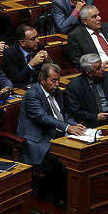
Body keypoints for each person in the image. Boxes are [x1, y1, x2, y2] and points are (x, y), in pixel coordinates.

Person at [17, 63, 86, 204]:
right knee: (62, 158)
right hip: (38, 139)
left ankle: (75, 196)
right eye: (53, 80)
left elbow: (63, 114)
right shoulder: (32, 95)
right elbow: (43, 118)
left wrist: (74, 125)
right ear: (43, 80)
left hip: (55, 134)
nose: (57, 84)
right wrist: (67, 127)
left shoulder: (57, 91)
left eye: (58, 80)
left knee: (81, 152)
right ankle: (59, 199)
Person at [66, 54, 108, 129]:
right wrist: (95, 117)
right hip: (92, 124)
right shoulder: (74, 86)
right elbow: (76, 111)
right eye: (98, 68)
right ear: (89, 73)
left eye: (101, 65)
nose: (103, 68)